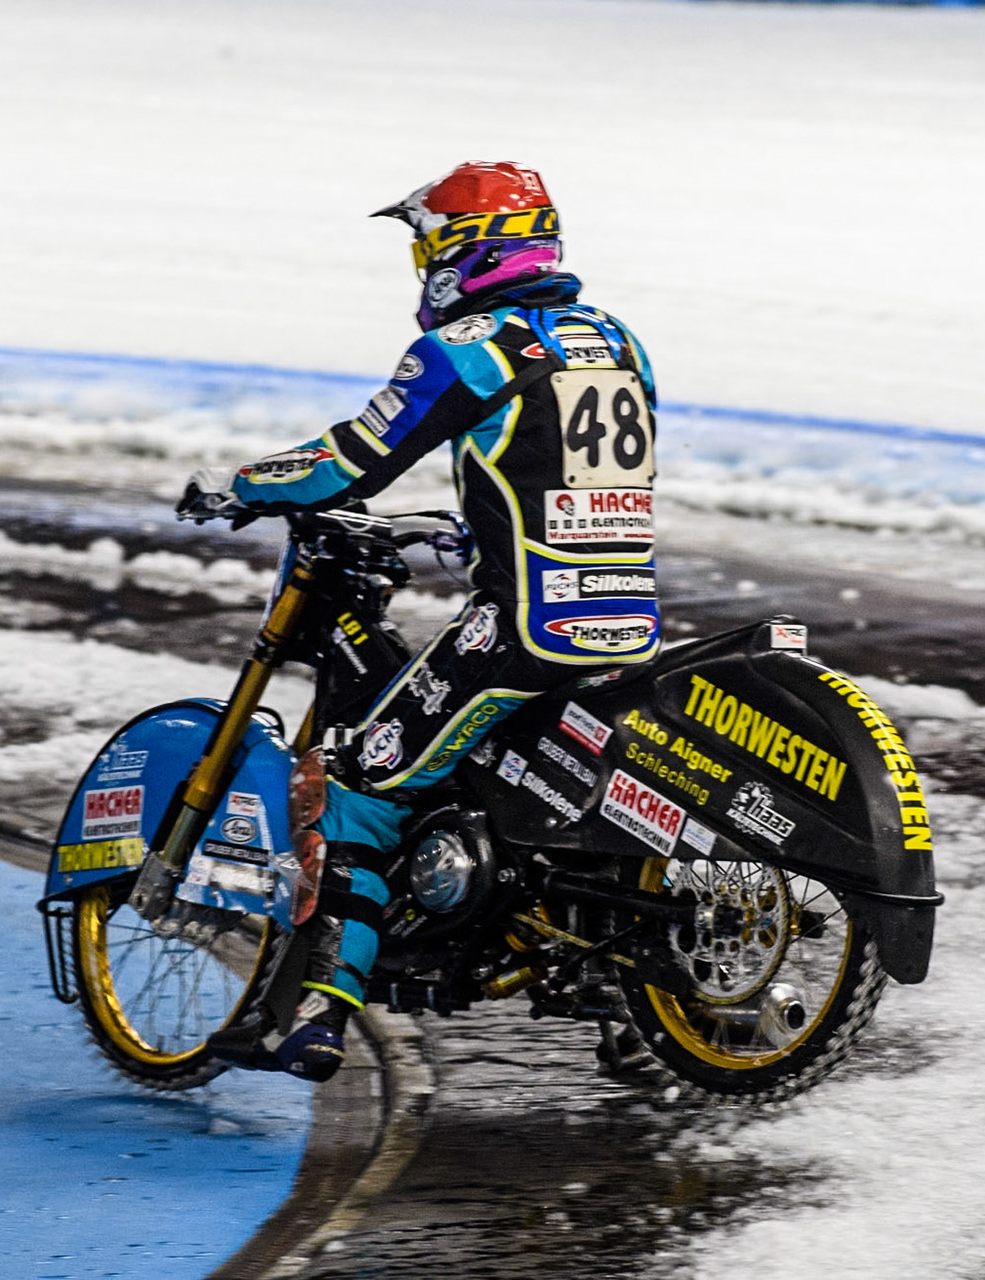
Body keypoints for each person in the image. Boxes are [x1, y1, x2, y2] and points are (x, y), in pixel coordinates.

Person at [180, 162, 661, 1081]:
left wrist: (237, 486)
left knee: (359, 779)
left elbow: (348, 462)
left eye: (425, 246)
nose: (420, 267)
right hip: (627, 616)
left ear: (462, 251)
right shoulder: (615, 338)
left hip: (527, 623)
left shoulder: (471, 346)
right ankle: (620, 998)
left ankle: (320, 1016)